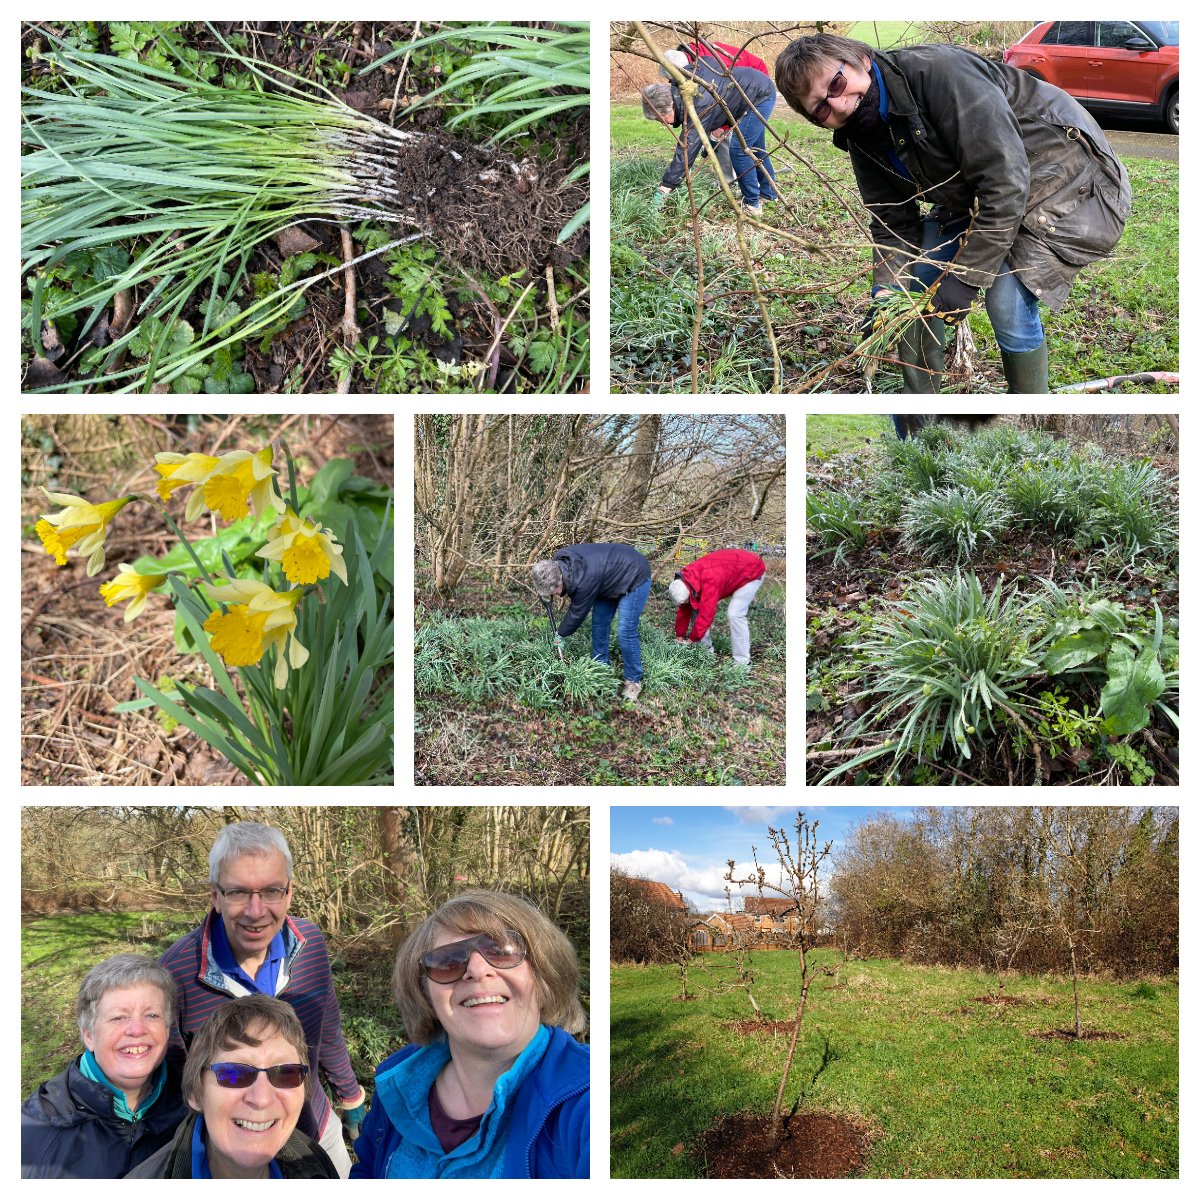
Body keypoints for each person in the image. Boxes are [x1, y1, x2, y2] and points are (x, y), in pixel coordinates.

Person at [774, 33, 1132, 393]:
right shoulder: (861, 136)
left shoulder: (942, 74)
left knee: (1005, 300)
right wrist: (884, 295)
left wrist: (965, 278)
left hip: (1069, 178)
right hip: (983, 189)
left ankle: (1028, 409)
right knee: (911, 291)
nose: (837, 105)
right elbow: (892, 223)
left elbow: (1005, 185)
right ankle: (926, 416)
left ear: (861, 60)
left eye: (835, 84)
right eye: (819, 109)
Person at [159, 822, 364, 1177]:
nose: (256, 912)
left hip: (314, 1126)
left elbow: (327, 1028)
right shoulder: (176, 975)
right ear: (215, 896)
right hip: (238, 1146)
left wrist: (350, 1095)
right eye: (238, 893)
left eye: (271, 891)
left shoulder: (310, 944)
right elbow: (177, 1080)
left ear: (289, 893)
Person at [352, 890, 589, 1179]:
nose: (477, 970)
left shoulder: (585, 1099)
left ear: (543, 976)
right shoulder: (398, 1085)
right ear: (426, 995)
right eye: (448, 961)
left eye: (501, 951)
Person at [127, 994, 338, 1178]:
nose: (261, 1099)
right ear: (195, 1092)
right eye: (234, 1074)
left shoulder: (314, 1160)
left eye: (285, 1073)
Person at [21, 954, 189, 1178]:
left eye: (152, 1015)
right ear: (89, 1035)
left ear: (167, 1030)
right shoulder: (32, 1136)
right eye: (119, 1017)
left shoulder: (194, 1108)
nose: (137, 1030)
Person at [642, 52, 779, 215]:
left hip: (759, 95)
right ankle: (769, 194)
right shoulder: (687, 84)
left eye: (661, 119)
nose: (665, 125)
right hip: (755, 87)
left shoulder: (697, 104)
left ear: (667, 108)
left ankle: (752, 205)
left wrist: (665, 187)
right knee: (756, 147)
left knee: (740, 149)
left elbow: (687, 149)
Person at [531, 543, 651, 701]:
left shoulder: (583, 582)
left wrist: (559, 634)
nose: (556, 594)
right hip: (606, 579)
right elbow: (547, 585)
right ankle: (600, 667)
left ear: (559, 582)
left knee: (626, 632)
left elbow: (575, 616)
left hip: (634, 574)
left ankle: (633, 680)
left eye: (554, 591)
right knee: (599, 623)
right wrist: (545, 593)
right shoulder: (559, 563)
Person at [668, 40, 772, 185]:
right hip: (741, 89)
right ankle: (766, 187)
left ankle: (730, 181)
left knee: (739, 144)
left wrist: (723, 127)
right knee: (753, 145)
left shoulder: (710, 62)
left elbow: (724, 96)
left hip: (757, 87)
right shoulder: (690, 60)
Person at [669, 548, 766, 666]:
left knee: (735, 614)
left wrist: (692, 639)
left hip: (751, 571)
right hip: (731, 571)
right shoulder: (686, 579)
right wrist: (680, 635)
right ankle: (705, 651)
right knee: (695, 605)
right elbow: (684, 609)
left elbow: (706, 615)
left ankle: (742, 662)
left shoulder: (710, 581)